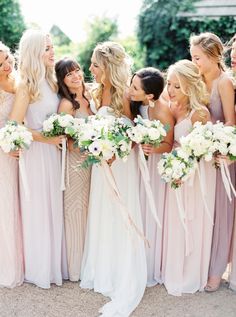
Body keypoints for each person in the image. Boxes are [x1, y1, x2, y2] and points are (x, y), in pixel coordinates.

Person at [80, 41, 147, 317]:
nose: (90, 69)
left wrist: (115, 150)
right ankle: (102, 266)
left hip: (119, 164)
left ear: (107, 66)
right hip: (100, 164)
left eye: (95, 64)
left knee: (120, 212)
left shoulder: (125, 94)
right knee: (102, 211)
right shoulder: (96, 92)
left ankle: (120, 268)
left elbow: (134, 132)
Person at [9, 29, 68, 289]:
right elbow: (14, 127)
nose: (52, 51)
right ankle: (39, 268)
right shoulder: (26, 85)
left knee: (54, 207)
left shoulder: (53, 81)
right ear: (34, 52)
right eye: (47, 48)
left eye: (52, 46)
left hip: (54, 155)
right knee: (38, 210)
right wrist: (46, 139)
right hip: (35, 156)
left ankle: (55, 264)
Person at [162, 59, 216, 296]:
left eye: (176, 86)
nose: (170, 91)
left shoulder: (200, 113)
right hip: (174, 171)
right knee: (174, 220)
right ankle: (172, 267)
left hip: (194, 175)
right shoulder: (172, 107)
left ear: (189, 86)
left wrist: (183, 167)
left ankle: (190, 272)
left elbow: (201, 150)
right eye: (169, 84)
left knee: (191, 221)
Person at [190, 32, 236, 292]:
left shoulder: (224, 82)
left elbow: (230, 121)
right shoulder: (195, 80)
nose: (193, 61)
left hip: (221, 157)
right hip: (199, 155)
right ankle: (200, 262)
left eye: (197, 57)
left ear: (211, 57)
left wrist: (218, 144)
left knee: (221, 213)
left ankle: (217, 269)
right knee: (202, 211)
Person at [129, 67, 174, 286]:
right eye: (132, 83)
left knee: (150, 208)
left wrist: (150, 148)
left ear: (150, 96)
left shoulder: (162, 111)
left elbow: (167, 144)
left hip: (154, 167)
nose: (130, 90)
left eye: (135, 88)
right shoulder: (138, 104)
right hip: (138, 164)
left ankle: (149, 263)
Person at [55, 57, 92, 281]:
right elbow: (64, 141)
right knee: (75, 212)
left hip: (92, 164)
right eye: (69, 74)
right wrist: (89, 142)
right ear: (63, 80)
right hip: (75, 165)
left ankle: (88, 262)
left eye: (77, 70)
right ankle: (75, 268)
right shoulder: (67, 104)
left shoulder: (90, 97)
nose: (76, 76)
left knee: (89, 212)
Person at [0, 41, 24, 288]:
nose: (8, 65)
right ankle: (8, 261)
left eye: (8, 58)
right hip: (3, 155)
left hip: (22, 150)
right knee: (6, 202)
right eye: (1, 64)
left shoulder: (20, 80)